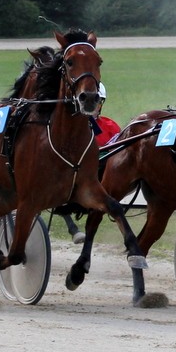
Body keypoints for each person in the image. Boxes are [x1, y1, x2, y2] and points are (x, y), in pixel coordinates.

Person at [61, 82, 120, 243]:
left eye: (97, 102)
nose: (93, 106)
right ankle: (72, 227)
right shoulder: (70, 129)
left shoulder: (110, 125)